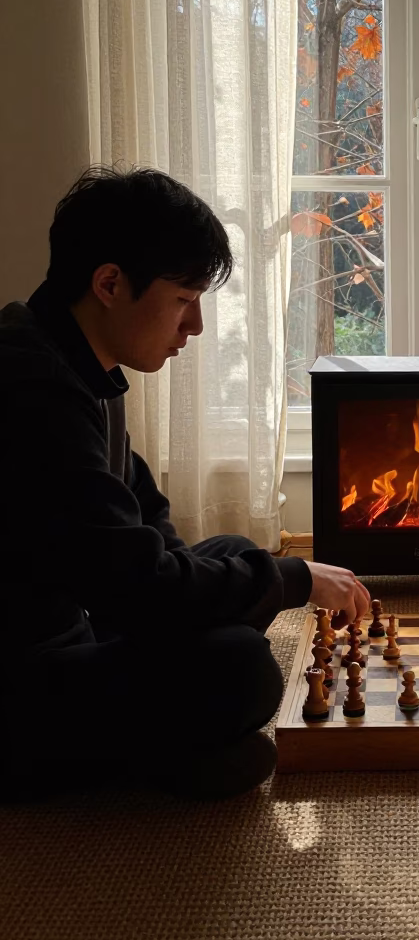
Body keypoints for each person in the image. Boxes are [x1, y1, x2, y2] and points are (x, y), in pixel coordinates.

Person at [0, 166, 369, 801]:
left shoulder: (79, 361)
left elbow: (145, 523)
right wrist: (297, 579)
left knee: (233, 554)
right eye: (182, 300)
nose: (194, 326)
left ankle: (164, 752)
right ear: (110, 283)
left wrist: (246, 585)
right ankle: (76, 769)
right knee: (241, 669)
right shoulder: (32, 388)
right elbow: (139, 588)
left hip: (87, 614)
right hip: (25, 680)